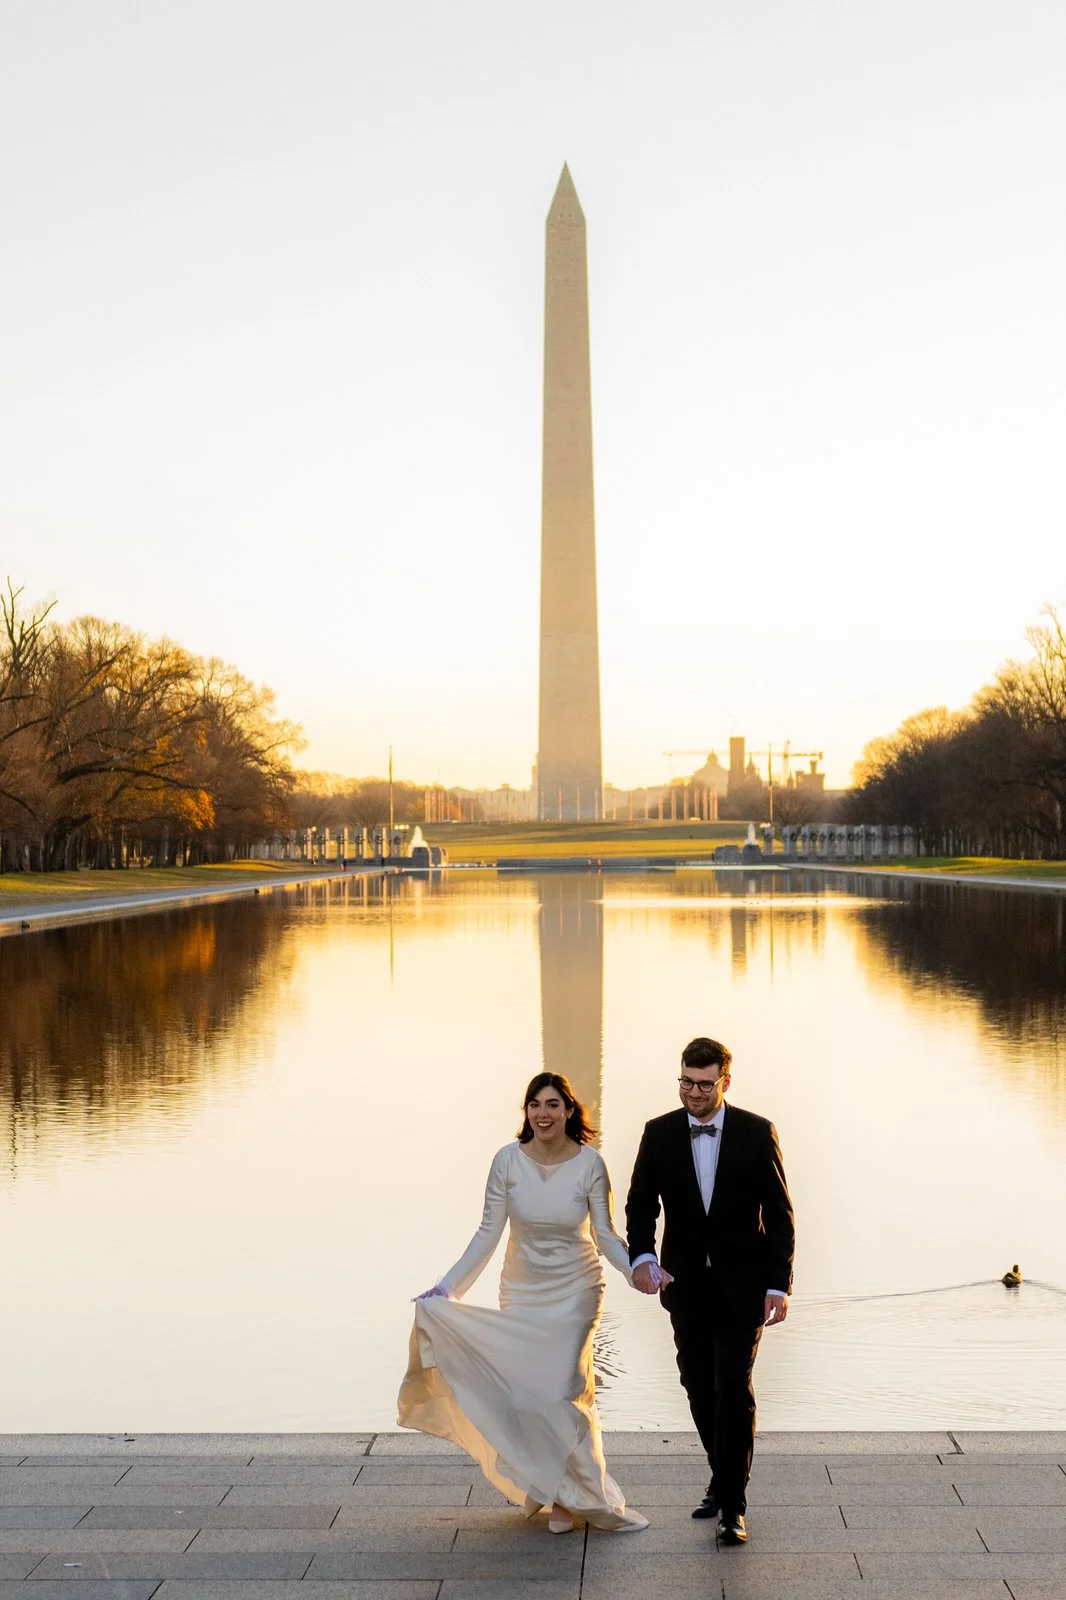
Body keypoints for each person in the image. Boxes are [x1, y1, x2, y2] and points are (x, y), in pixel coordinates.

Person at [398, 1072, 651, 1534]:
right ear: (526, 1112)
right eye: (535, 1104)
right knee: (525, 1396)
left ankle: (575, 1497)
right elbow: (487, 1234)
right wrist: (447, 1291)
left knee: (562, 1392)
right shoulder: (507, 1162)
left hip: (577, 1291)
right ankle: (556, 1489)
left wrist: (636, 1268)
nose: (543, 1113)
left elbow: (605, 1234)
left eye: (553, 1104)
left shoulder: (590, 1164)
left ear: (569, 1111)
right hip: (523, 1289)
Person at [625, 1037, 794, 1546]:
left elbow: (781, 1216)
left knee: (732, 1390)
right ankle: (722, 1479)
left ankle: (732, 1507)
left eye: (703, 1084)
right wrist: (642, 1257)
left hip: (744, 1286)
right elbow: (639, 1205)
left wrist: (777, 1285)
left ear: (725, 1082)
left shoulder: (756, 1132)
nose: (693, 1093)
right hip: (685, 1285)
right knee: (698, 1385)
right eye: (685, 1082)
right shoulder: (658, 1133)